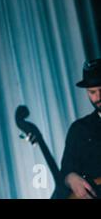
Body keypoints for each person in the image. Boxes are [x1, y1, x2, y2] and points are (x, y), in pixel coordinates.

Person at [58, 58, 101, 199]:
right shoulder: (80, 129)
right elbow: (66, 171)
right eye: (92, 92)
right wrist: (72, 179)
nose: (98, 97)